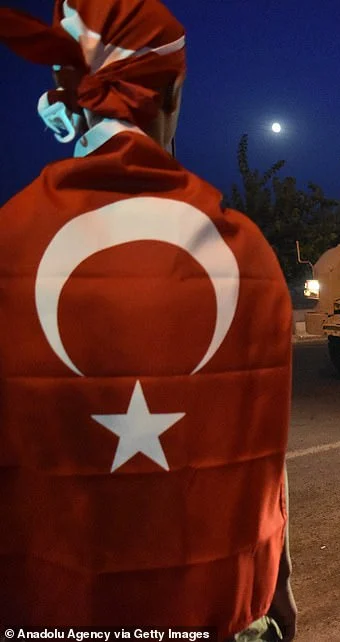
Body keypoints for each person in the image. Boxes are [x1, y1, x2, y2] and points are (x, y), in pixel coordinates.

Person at [0, 1, 296, 638]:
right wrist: (281, 591)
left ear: (70, 95)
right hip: (217, 614)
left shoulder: (9, 242)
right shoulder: (247, 253)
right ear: (173, 92)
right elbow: (265, 456)